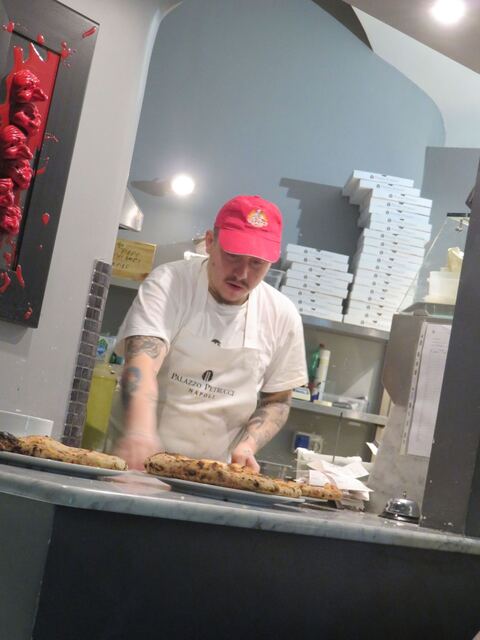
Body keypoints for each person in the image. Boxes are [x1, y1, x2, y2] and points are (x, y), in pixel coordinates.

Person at [112, 194, 308, 470]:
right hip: (138, 462)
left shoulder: (282, 315)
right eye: (233, 256)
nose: (242, 273)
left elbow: (277, 401)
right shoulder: (170, 283)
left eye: (256, 263)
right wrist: (141, 432)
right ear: (210, 242)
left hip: (212, 474)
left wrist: (248, 444)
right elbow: (141, 365)